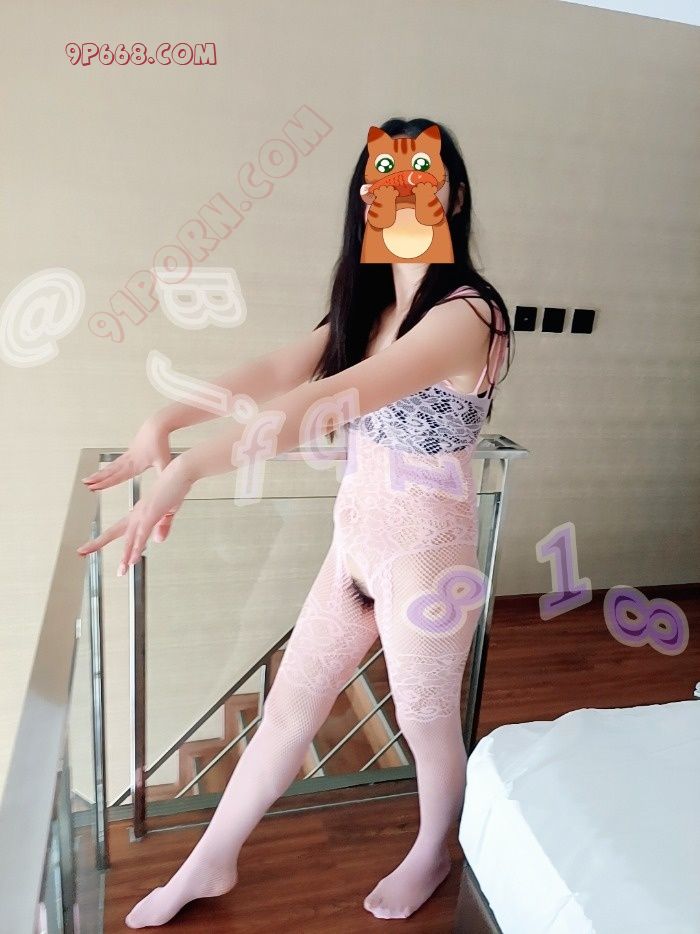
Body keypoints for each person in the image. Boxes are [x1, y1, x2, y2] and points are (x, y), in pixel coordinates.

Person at [77, 116, 512, 925]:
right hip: (353, 549)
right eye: (384, 179)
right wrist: (166, 418)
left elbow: (326, 401)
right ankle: (210, 862)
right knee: (287, 711)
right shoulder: (368, 305)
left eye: (422, 176)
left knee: (424, 721)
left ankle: (433, 850)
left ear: (452, 195)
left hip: (426, 558)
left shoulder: (469, 315)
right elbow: (280, 368)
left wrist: (191, 467)